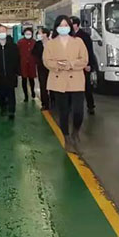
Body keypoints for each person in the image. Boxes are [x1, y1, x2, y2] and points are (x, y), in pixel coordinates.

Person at [44, 15, 89, 153]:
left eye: (66, 25)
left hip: (76, 80)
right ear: (56, 27)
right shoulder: (51, 43)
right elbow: (47, 61)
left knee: (78, 111)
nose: (63, 28)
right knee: (63, 111)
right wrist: (59, 65)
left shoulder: (78, 41)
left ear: (70, 27)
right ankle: (67, 138)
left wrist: (70, 64)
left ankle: (75, 132)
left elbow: (84, 59)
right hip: (58, 80)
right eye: (60, 25)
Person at [71, 16, 97, 115]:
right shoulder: (68, 36)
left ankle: (90, 106)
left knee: (86, 86)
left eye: (71, 23)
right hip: (72, 65)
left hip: (83, 65)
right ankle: (73, 107)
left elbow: (89, 51)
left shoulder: (84, 36)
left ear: (77, 25)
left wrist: (89, 64)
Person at [32, 28, 51, 110]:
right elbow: (33, 53)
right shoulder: (37, 44)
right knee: (43, 86)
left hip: (52, 68)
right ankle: (45, 104)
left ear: (45, 34)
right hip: (41, 68)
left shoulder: (52, 43)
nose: (38, 35)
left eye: (40, 33)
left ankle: (54, 101)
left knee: (53, 85)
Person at [17, 27, 37, 102]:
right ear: (24, 34)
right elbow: (17, 54)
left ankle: (32, 91)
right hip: (23, 64)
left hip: (32, 63)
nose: (28, 35)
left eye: (29, 33)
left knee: (31, 79)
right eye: (26, 33)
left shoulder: (34, 42)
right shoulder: (20, 42)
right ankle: (26, 95)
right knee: (24, 79)